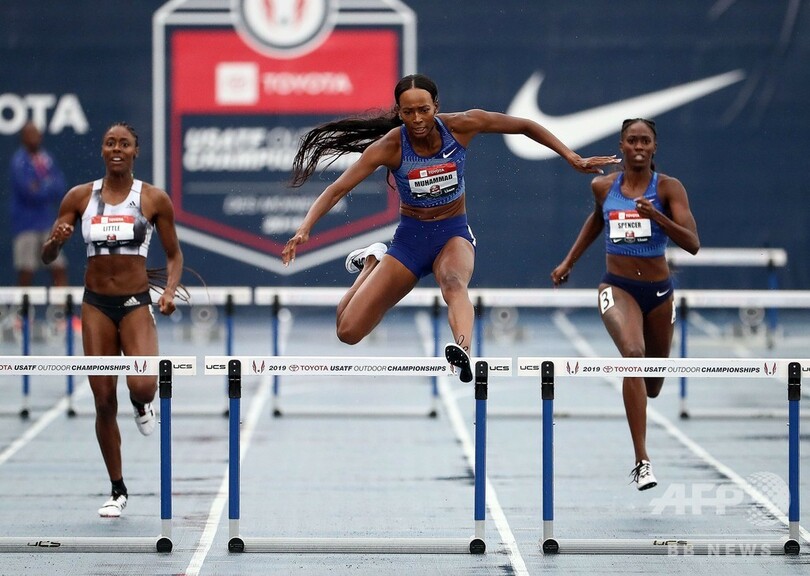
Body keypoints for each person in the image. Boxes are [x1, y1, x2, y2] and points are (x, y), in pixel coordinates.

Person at [282, 73, 619, 381]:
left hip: (452, 234)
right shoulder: (390, 146)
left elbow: (525, 126)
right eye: (409, 112)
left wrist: (571, 157)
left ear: (436, 107)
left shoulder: (461, 126)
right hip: (410, 242)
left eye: (424, 111)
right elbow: (336, 189)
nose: (417, 120)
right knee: (348, 331)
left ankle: (463, 352)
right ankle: (372, 262)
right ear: (399, 112)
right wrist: (305, 228)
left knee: (454, 283)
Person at [41, 122, 184, 518]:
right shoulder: (79, 197)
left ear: (136, 151)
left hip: (136, 303)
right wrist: (55, 240)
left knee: (144, 385)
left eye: (124, 143)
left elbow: (174, 256)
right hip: (96, 306)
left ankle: (141, 404)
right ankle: (118, 489)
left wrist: (169, 291)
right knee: (103, 400)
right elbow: (47, 258)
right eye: (109, 143)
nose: (116, 148)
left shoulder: (153, 199)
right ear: (102, 151)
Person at [550, 118, 700, 490]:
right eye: (631, 139)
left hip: (660, 293)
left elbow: (693, 243)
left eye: (644, 141)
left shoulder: (668, 188)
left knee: (653, 385)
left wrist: (657, 218)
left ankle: (644, 415)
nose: (637, 146)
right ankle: (642, 460)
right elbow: (595, 222)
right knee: (632, 354)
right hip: (617, 288)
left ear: (654, 147)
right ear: (621, 143)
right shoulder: (603, 186)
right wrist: (569, 262)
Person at [10, 121, 68, 286]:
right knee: (26, 271)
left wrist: (40, 185)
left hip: (47, 223)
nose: (35, 138)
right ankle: (22, 312)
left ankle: (63, 311)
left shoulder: (46, 158)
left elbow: (60, 186)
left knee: (58, 268)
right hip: (25, 224)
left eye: (37, 134)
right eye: (30, 134)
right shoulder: (18, 161)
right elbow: (28, 192)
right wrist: (47, 184)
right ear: (23, 138)